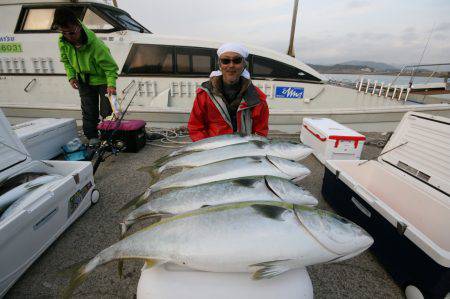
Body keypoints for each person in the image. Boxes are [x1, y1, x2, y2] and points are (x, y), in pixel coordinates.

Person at [52, 8, 119, 146]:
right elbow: (66, 60)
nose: (68, 36)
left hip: (103, 80)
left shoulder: (96, 45)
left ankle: (109, 136)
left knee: (107, 110)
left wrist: (111, 84)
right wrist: (71, 76)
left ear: (78, 26)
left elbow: (110, 67)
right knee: (88, 110)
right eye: (63, 32)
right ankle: (92, 136)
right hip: (83, 80)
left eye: (71, 32)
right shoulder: (63, 41)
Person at [188, 43, 269, 141]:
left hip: (244, 149)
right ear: (220, 64)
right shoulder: (205, 94)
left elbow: (260, 132)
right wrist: (209, 150)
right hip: (213, 151)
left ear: (244, 64)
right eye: (225, 61)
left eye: (237, 60)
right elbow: (195, 127)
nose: (231, 65)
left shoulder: (257, 98)